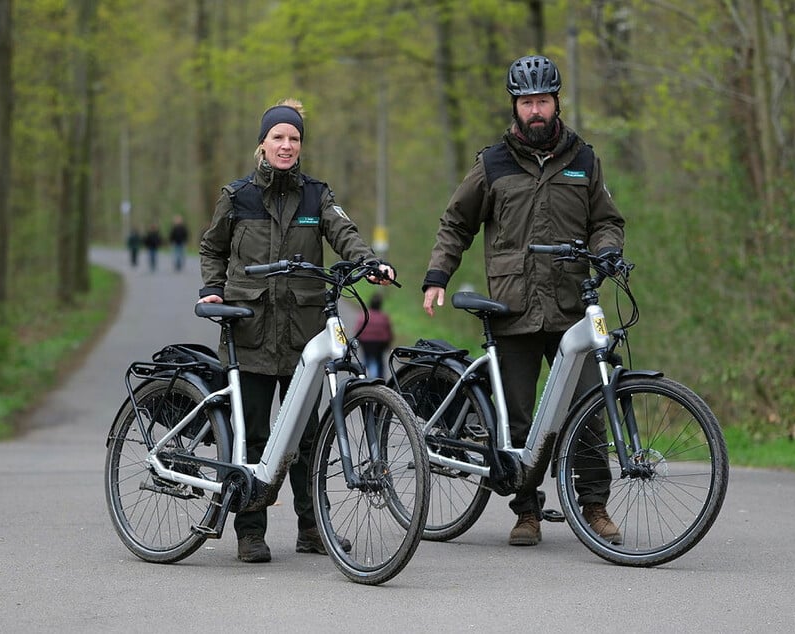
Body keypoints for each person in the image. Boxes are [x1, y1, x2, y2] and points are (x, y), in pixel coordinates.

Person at [421, 55, 626, 547]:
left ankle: (594, 505)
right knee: (518, 417)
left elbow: (607, 221)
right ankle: (526, 509)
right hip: (512, 308)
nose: (536, 110)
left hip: (571, 305)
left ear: (557, 104)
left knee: (588, 409)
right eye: (527, 102)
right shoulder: (491, 163)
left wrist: (607, 253)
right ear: (515, 107)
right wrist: (437, 275)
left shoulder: (584, 159)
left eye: (543, 101)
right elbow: (457, 222)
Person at [198, 98, 396, 563]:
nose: (286, 146)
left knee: (309, 438)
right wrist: (212, 288)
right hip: (247, 332)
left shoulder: (316, 196)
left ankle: (313, 528)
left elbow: (343, 231)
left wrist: (369, 263)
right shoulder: (237, 196)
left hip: (304, 334)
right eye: (278, 138)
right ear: (262, 144)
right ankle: (250, 533)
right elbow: (212, 247)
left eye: (294, 138)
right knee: (254, 436)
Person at [354, 292, 393, 378]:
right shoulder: (383, 317)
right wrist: (388, 343)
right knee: (378, 361)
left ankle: (364, 376)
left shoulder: (364, 315)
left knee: (366, 359)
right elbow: (388, 332)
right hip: (379, 343)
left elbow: (358, 329)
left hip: (365, 342)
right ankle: (378, 379)